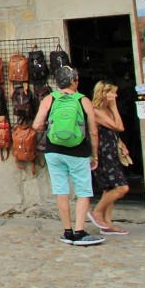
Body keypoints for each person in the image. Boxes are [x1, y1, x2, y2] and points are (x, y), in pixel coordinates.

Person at [32, 65, 104, 246]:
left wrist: (52, 127)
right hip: (78, 151)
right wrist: (94, 155)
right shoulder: (83, 100)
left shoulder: (49, 99)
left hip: (54, 151)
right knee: (83, 191)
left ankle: (67, 231)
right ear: (73, 81)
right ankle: (79, 232)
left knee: (61, 191)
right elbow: (93, 131)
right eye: (76, 80)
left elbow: (36, 125)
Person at [87, 81, 130, 235]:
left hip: (112, 152)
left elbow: (114, 131)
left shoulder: (108, 111)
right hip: (103, 154)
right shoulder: (96, 111)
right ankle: (97, 212)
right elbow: (120, 127)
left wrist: (122, 144)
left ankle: (107, 224)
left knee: (110, 189)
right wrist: (114, 106)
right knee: (121, 188)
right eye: (113, 93)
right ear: (104, 94)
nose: (116, 96)